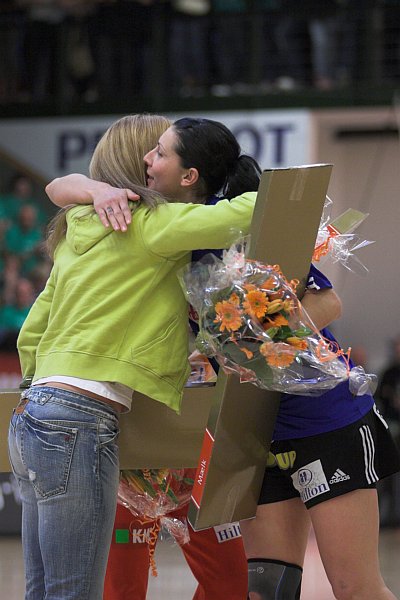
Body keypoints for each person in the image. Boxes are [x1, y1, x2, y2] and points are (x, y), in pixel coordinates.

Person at [46, 115, 344, 600]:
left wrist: (248, 338)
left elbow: (327, 300)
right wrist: (88, 189)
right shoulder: (116, 229)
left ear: (188, 174)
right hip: (126, 424)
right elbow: (57, 192)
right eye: (150, 153)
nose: (150, 162)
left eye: (161, 154)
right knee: (120, 587)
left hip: (199, 433)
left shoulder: (200, 230)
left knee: (236, 582)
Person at [8, 113, 260, 600]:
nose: (154, 161)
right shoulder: (152, 224)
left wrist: (45, 387)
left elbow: (34, 328)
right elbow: (246, 213)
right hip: (83, 417)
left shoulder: (76, 226)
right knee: (73, 592)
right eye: (156, 151)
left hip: (33, 414)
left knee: (44, 590)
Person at [239, 266, 400, 599]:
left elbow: (328, 302)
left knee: (354, 588)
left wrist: (256, 341)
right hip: (256, 431)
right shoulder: (166, 248)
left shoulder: (231, 222)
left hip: (326, 421)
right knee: (267, 589)